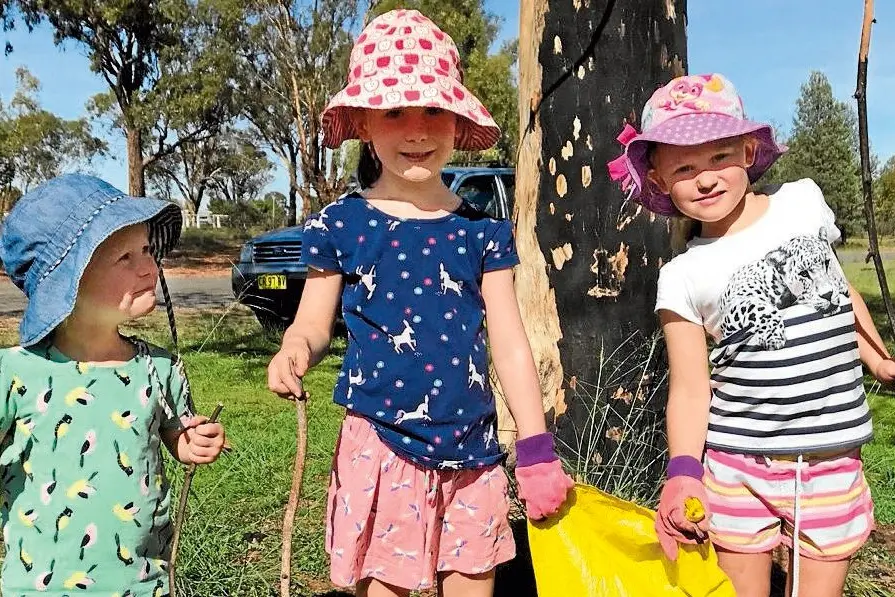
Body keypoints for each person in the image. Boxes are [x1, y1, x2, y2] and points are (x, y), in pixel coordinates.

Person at [267, 9, 573, 597]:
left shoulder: (483, 232)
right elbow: (312, 323)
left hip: (474, 452)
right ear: (363, 122)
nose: (417, 130)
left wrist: (535, 447)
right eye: (394, 111)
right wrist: (294, 350)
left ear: (457, 119)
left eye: (434, 109)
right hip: (380, 447)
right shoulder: (340, 225)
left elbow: (509, 343)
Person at [608, 73, 895, 597]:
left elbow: (837, 291)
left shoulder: (803, 203)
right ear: (659, 181)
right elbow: (691, 388)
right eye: (684, 168)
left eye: (719, 157)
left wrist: (876, 360)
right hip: (738, 465)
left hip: (830, 458)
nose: (705, 179)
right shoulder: (682, 276)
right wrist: (683, 471)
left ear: (746, 151)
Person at [0, 174, 226, 595]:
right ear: (67, 282)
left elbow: (173, 433)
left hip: (141, 582)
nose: (149, 267)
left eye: (147, 250)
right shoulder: (15, 373)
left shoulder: (159, 367)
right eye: (124, 257)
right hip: (39, 585)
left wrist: (190, 442)